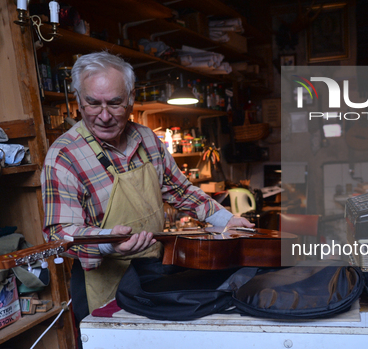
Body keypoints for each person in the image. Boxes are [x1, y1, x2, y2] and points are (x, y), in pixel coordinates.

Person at [40, 51, 253, 326]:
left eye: (115, 103)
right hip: (103, 283)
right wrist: (108, 242)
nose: (104, 116)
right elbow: (60, 234)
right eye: (93, 103)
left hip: (153, 272)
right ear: (79, 101)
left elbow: (181, 191)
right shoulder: (64, 157)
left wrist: (228, 221)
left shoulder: (146, 139)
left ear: (130, 100)